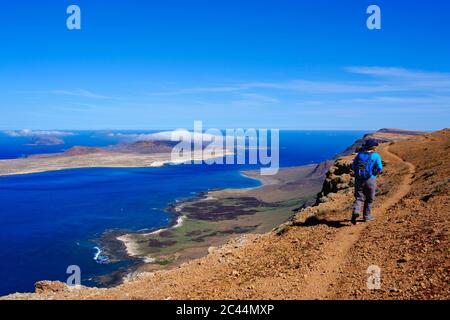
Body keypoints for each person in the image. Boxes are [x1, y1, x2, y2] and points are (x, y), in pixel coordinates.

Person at [351, 139, 383, 224]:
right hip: (370, 179)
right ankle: (367, 217)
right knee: (369, 199)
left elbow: (353, 166)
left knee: (359, 197)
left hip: (359, 179)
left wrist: (358, 174)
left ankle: (356, 211)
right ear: (373, 147)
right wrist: (374, 174)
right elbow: (380, 167)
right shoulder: (376, 156)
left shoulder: (359, 154)